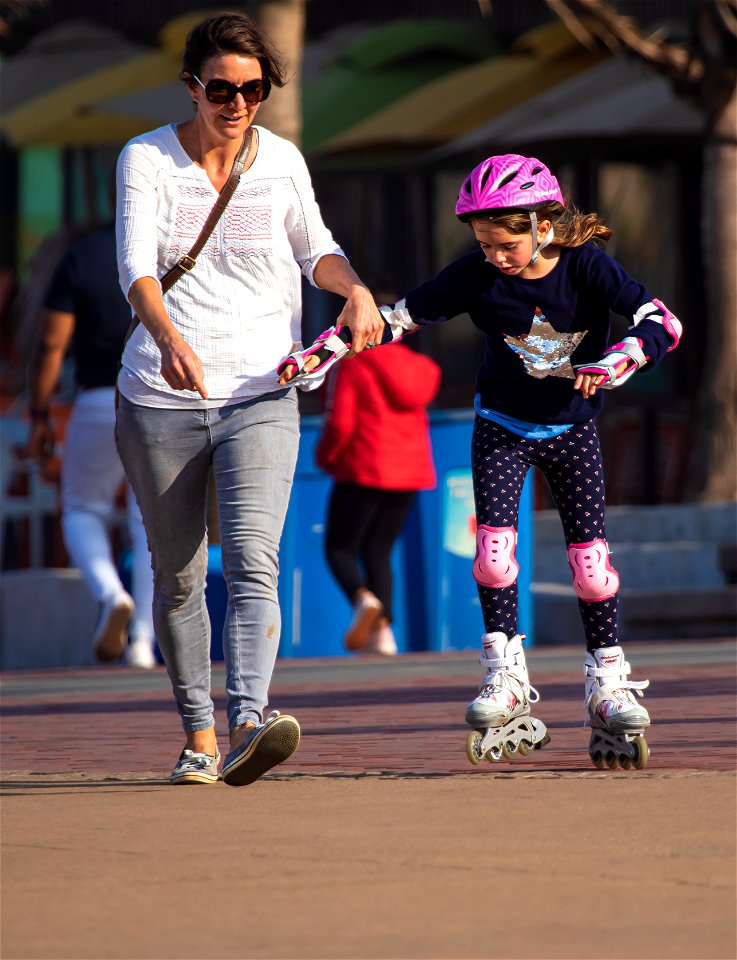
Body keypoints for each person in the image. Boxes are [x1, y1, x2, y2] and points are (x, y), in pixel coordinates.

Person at [279, 153, 682, 770]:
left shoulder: (588, 268)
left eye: (506, 243)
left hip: (573, 429)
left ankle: (608, 682)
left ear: (543, 225)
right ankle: (506, 675)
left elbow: (663, 322)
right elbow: (395, 320)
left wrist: (620, 358)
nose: (496, 256)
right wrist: (326, 353)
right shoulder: (476, 275)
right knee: (493, 557)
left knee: (592, 567)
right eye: (485, 244)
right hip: (501, 426)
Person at [114, 12, 383, 787]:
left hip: (264, 388)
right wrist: (168, 339)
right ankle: (198, 733)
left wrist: (356, 290)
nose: (237, 104)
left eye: (253, 90)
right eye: (222, 89)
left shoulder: (282, 162)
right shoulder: (147, 160)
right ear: (192, 87)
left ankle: (248, 719)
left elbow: (316, 252)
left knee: (256, 559)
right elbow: (135, 267)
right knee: (177, 573)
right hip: (160, 396)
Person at [28, 221, 157, 669]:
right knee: (150, 523)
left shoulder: (82, 257)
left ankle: (110, 593)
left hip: (99, 398)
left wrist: (41, 414)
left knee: (82, 508)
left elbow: (51, 344)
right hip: (160, 399)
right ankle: (142, 641)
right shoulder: (169, 247)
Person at [316, 334, 441, 655]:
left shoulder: (352, 364)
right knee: (379, 550)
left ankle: (363, 599)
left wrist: (326, 458)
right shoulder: (417, 366)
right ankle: (383, 634)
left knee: (338, 547)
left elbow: (340, 422)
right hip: (409, 473)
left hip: (363, 467)